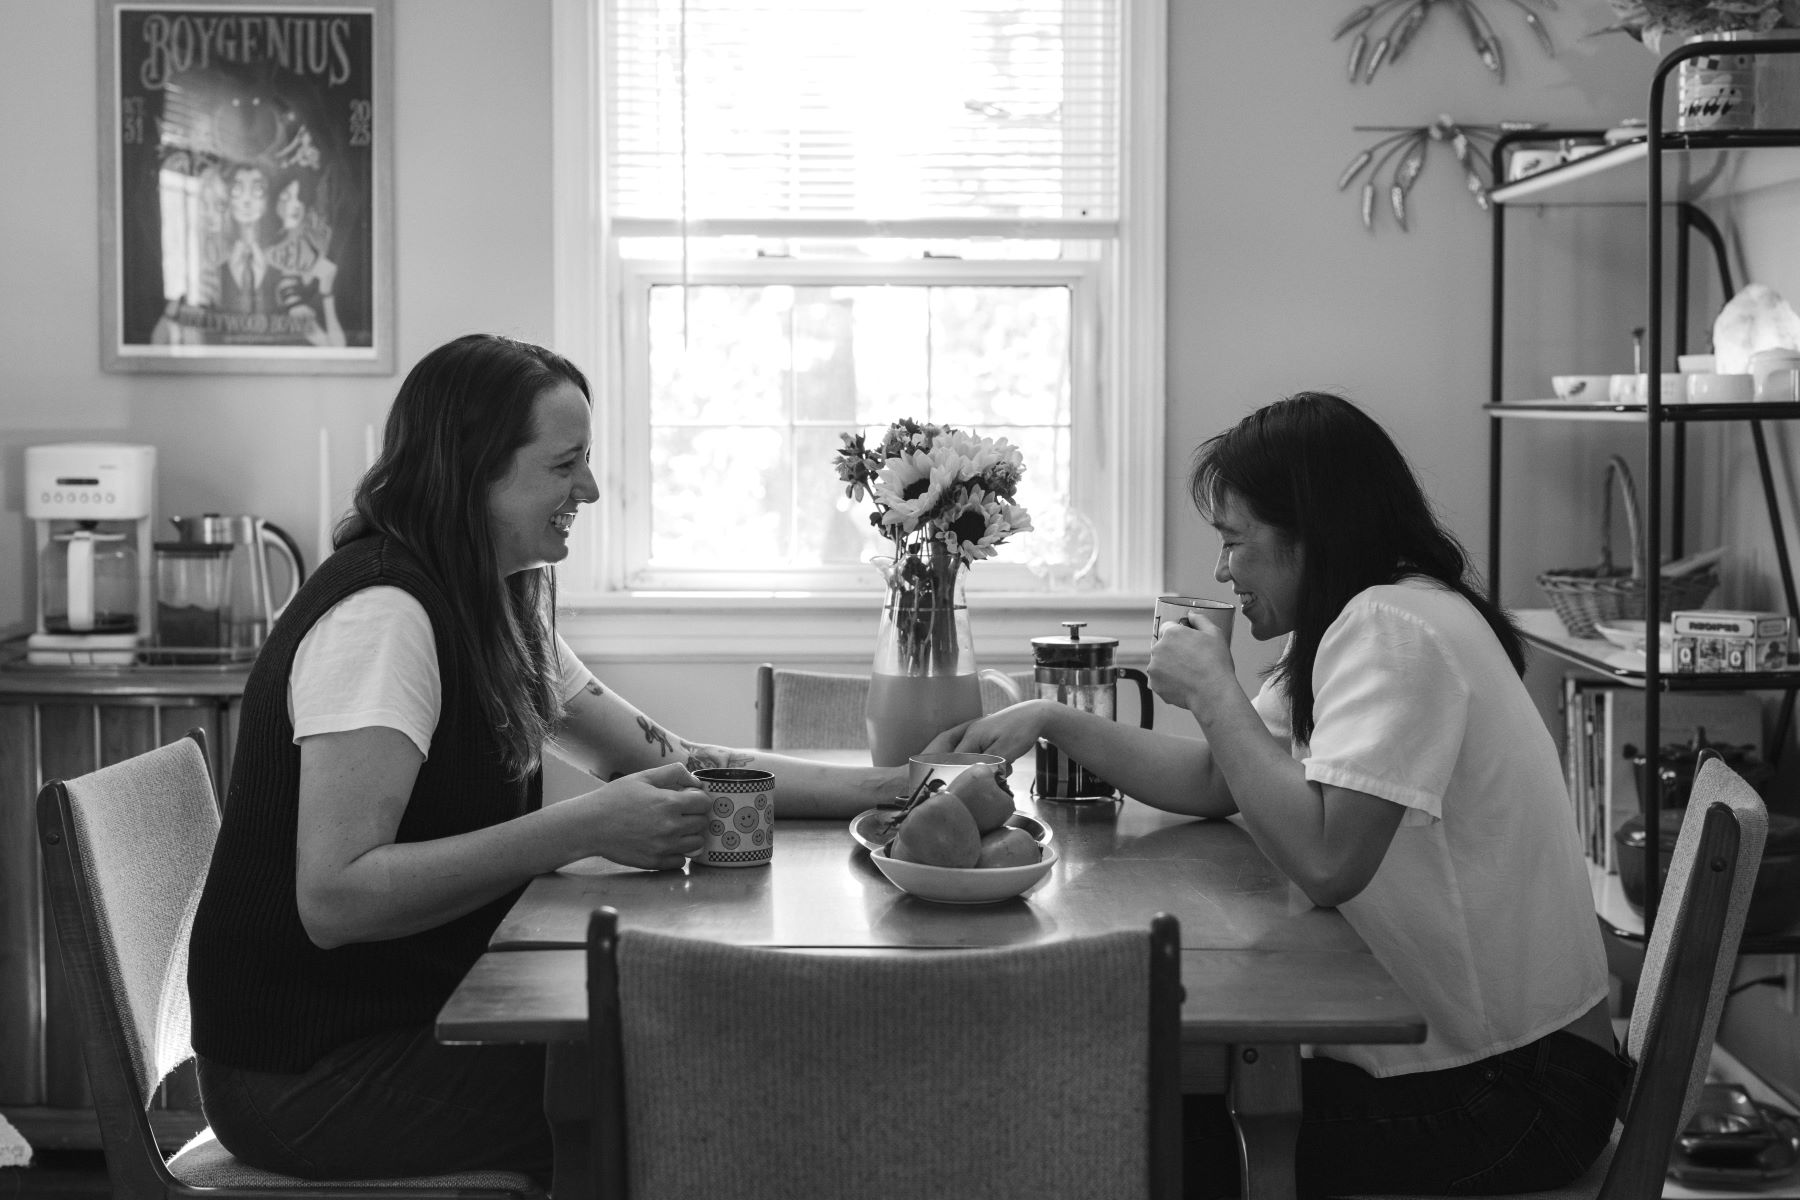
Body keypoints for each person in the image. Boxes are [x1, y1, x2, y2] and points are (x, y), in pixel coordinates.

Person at [186, 333, 910, 1184]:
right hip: (308, 1081)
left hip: (410, 1025)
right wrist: (582, 827)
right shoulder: (383, 617)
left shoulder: (492, 603)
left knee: (688, 1053)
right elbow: (336, 898)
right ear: (472, 471)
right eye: (565, 464)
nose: (591, 489)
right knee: (693, 1076)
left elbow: (683, 760)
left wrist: (895, 787)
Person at [928, 391, 1628, 1197]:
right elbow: (1215, 777)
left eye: (1235, 542)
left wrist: (1218, 695)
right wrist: (1050, 716)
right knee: (1148, 1100)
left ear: (1311, 532)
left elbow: (1329, 861)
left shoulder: (1395, 629)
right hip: (1510, 1065)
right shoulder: (1357, 619)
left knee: (1124, 1127)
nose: (1223, 570)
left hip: (1513, 1093)